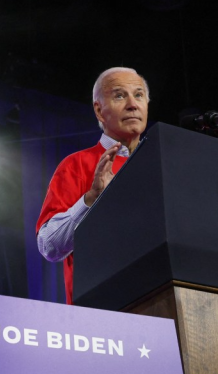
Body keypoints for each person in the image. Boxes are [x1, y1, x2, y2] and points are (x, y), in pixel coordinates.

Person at [36, 67, 150, 304]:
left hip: (160, 306)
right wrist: (91, 199)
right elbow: (48, 246)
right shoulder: (76, 165)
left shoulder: (159, 163)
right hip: (100, 314)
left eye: (139, 95)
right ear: (99, 110)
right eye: (120, 95)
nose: (132, 104)